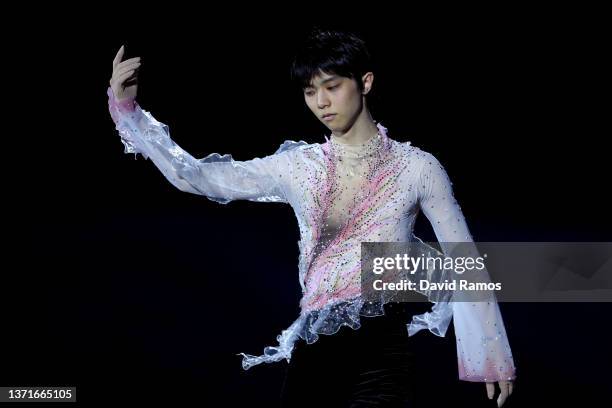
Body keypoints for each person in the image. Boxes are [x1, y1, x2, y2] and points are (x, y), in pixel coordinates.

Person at [107, 28, 516, 407]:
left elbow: (465, 262)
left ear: (366, 82)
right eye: (310, 91)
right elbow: (198, 177)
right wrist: (129, 114)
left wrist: (491, 354)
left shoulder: (418, 168)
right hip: (314, 357)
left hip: (383, 354)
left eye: (332, 87)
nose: (321, 102)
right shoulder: (298, 167)